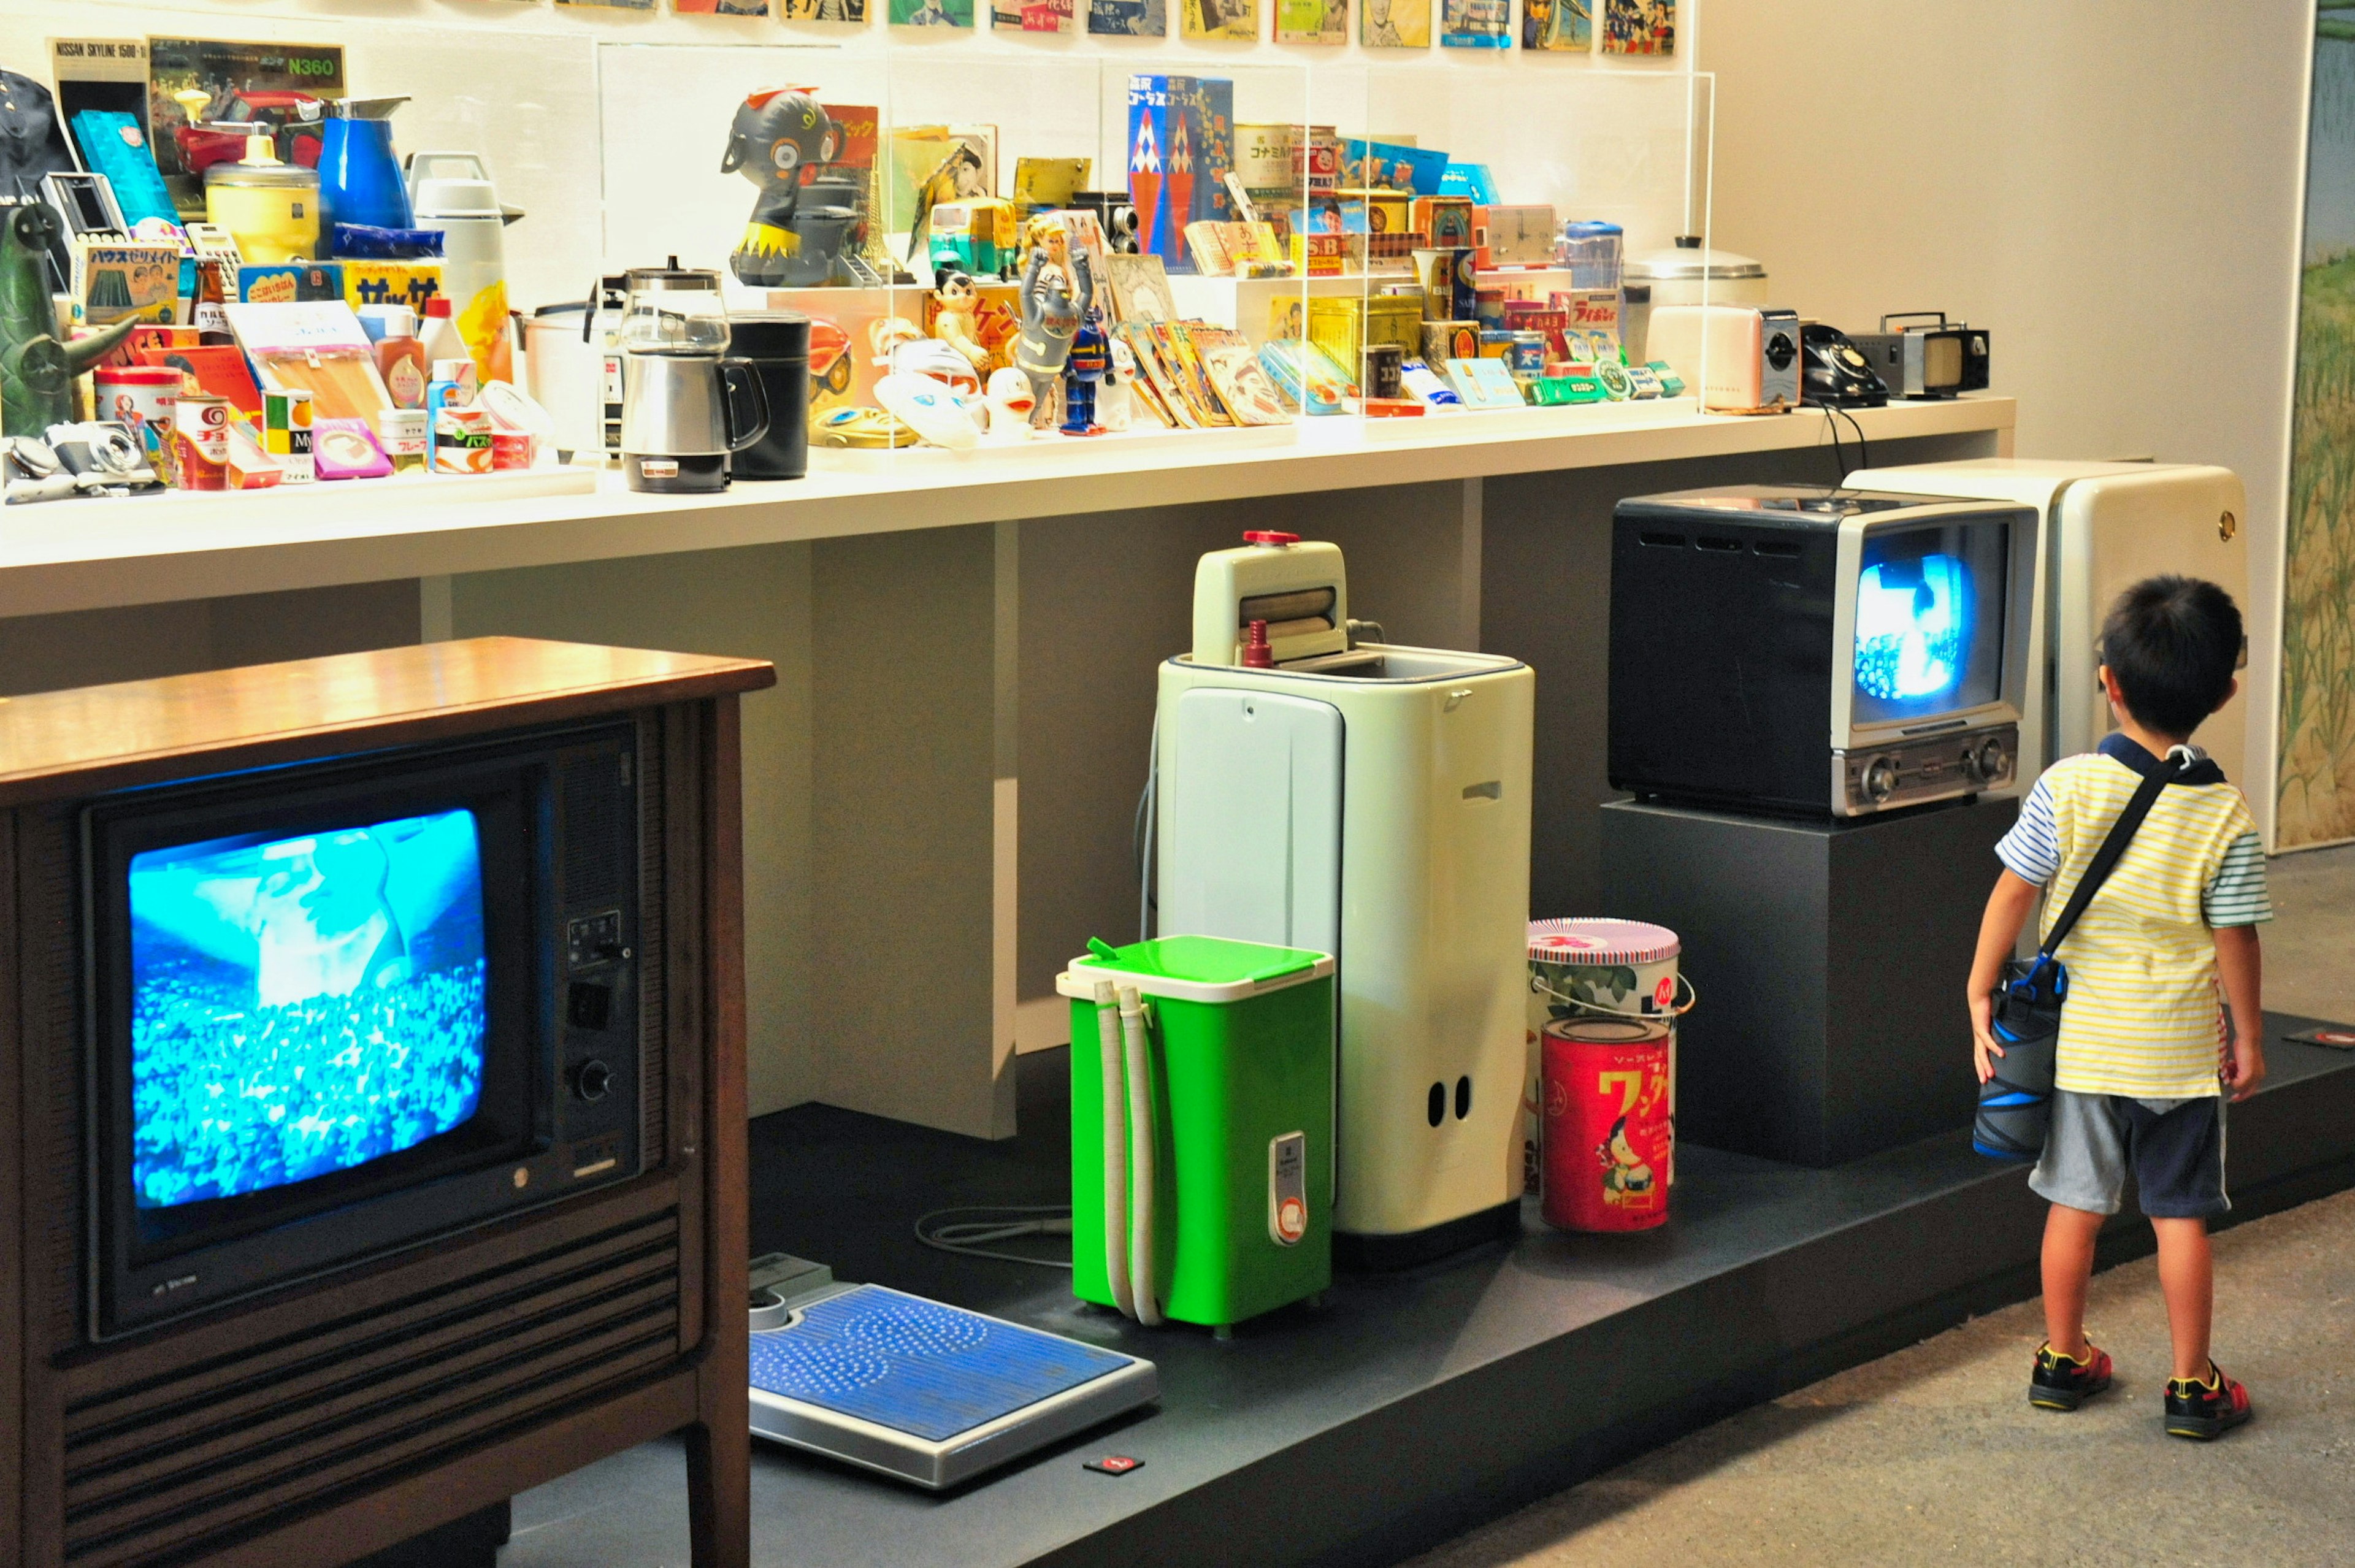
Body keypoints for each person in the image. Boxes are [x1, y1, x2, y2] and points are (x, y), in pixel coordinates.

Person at [1967, 575, 2269, 1441]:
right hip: (2179, 1052)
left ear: (2111, 681)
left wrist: (1980, 983)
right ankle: (2190, 1384)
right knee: (2180, 1215)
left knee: (2075, 1205)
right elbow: (2236, 939)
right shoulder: (2226, 815)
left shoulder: (2066, 787)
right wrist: (2248, 1034)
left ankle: (2063, 1358)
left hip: (2088, 1051)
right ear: (2226, 692)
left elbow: (2013, 894)